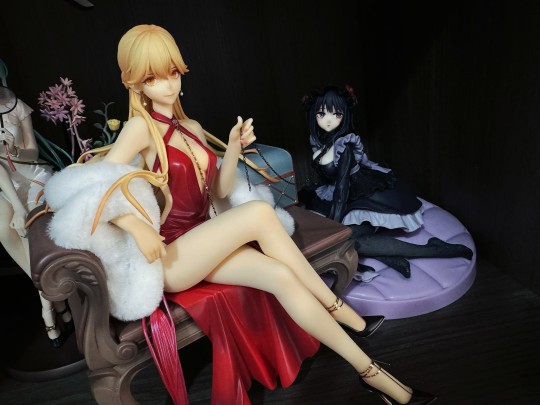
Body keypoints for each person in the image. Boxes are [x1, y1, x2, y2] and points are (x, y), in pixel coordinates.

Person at [45, 25, 436, 404]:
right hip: (174, 258)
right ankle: (343, 312)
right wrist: (134, 224)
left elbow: (218, 190)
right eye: (153, 78)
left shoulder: (191, 126)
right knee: (259, 214)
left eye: (173, 72)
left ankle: (373, 375)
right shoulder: (139, 129)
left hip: (205, 241)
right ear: (134, 83)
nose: (167, 85)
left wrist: (232, 147)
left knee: (282, 277)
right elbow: (93, 190)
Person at [301, 85, 472, 279]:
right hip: (338, 196)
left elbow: (342, 188)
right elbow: (331, 184)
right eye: (322, 114)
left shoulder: (344, 146)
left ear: (345, 115)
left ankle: (432, 250)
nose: (328, 120)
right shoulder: (320, 142)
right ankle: (390, 257)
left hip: (360, 194)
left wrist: (333, 227)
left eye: (336, 114)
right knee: (349, 240)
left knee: (348, 240)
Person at [0, 93, 72, 347]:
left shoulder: (15, 105)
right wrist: (17, 208)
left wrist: (14, 149)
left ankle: (47, 309)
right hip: (5, 187)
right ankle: (54, 296)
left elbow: (33, 152)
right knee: (4, 231)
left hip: (31, 175)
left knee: (32, 231)